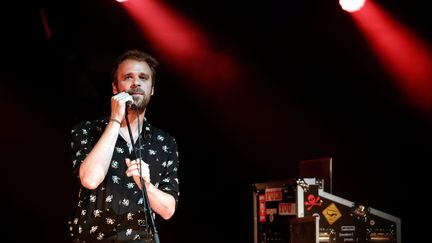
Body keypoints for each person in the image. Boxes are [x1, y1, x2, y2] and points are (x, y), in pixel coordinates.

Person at [69, 49, 180, 242]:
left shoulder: (165, 143)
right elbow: (90, 179)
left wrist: (146, 185)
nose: (136, 82)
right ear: (115, 87)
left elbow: (168, 210)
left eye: (143, 78)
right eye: (128, 77)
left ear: (152, 89)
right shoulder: (87, 130)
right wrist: (115, 120)